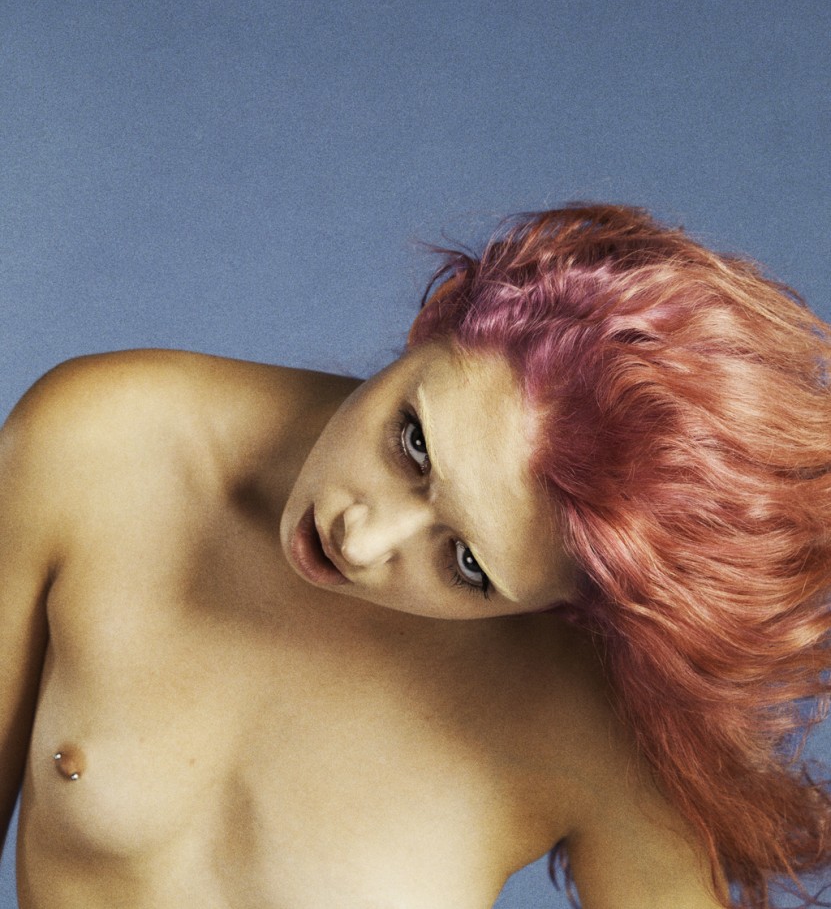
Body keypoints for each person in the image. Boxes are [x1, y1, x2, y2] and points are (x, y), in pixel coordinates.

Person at [0, 203, 828, 909]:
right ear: (440, 321)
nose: (360, 541)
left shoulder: (589, 716)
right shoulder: (106, 442)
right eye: (412, 443)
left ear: (559, 602)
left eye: (465, 564)